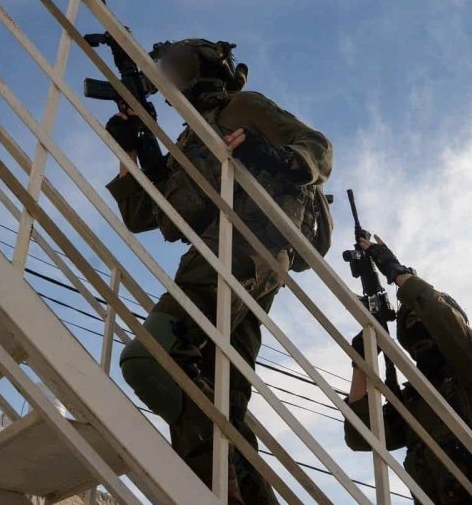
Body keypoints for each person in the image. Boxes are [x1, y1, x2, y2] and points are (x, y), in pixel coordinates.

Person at [105, 38, 332, 504]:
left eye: (176, 65)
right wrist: (129, 151)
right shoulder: (190, 141)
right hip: (223, 255)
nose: (168, 74)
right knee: (221, 401)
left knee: (156, 359)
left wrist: (273, 156)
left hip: (254, 245)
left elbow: (316, 148)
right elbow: (146, 215)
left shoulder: (242, 107)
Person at [344, 234, 472, 504]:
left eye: (418, 316)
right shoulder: (416, 398)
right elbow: (361, 435)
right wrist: (361, 361)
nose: (415, 322)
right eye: (409, 320)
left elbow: (441, 316)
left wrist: (395, 271)